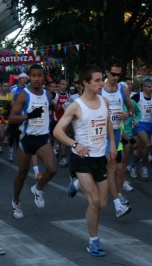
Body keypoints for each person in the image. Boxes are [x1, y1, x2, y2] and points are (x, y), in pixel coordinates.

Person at [54, 64, 116, 257]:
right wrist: (74, 144)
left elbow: (108, 123)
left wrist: (112, 144)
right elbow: (57, 131)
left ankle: (76, 184)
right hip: (81, 159)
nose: (101, 83)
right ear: (85, 83)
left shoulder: (104, 102)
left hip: (100, 158)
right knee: (95, 201)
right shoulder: (76, 106)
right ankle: (93, 242)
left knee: (103, 204)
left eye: (101, 80)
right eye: (97, 80)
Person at [9, 64, 57, 218]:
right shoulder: (24, 94)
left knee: (52, 169)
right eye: (34, 75)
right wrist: (29, 116)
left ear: (44, 77)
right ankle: (16, 201)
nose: (37, 79)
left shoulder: (47, 95)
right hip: (27, 138)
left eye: (40, 75)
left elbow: (54, 107)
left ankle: (38, 188)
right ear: (29, 77)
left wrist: (58, 107)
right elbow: (11, 118)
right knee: (22, 174)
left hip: (43, 138)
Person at [101, 58, 134, 217]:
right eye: (113, 74)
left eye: (118, 74)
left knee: (112, 167)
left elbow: (131, 108)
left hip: (115, 133)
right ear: (106, 72)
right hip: (100, 134)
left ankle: (117, 204)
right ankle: (117, 204)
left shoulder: (123, 89)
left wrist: (129, 114)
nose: (116, 77)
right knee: (110, 166)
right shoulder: (99, 89)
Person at [128, 78, 152, 178]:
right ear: (143, 87)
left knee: (142, 148)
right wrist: (132, 118)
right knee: (147, 144)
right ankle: (143, 166)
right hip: (139, 124)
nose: (151, 89)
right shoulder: (137, 96)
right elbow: (128, 106)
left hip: (149, 124)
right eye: (149, 87)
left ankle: (133, 165)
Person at [8, 72, 28, 161]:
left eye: (25, 78)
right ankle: (10, 151)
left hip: (24, 115)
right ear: (19, 79)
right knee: (13, 134)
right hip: (15, 115)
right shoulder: (13, 88)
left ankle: (21, 152)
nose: (24, 80)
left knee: (21, 135)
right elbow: (10, 101)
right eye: (23, 78)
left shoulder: (28, 89)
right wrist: (16, 108)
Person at [50, 79, 70, 166]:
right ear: (59, 85)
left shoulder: (68, 94)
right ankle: (52, 151)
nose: (64, 86)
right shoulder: (55, 94)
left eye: (66, 84)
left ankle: (63, 157)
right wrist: (55, 105)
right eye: (63, 84)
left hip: (64, 119)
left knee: (63, 138)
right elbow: (49, 99)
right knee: (55, 137)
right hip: (55, 118)